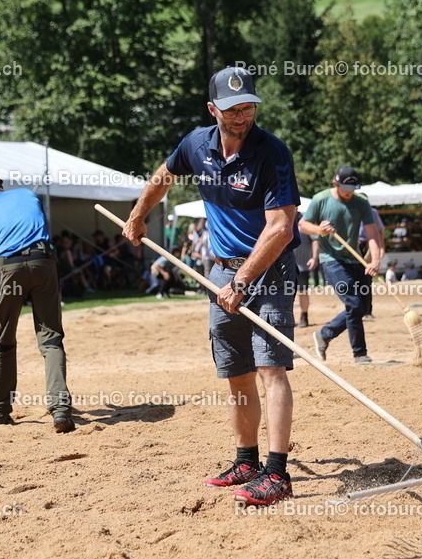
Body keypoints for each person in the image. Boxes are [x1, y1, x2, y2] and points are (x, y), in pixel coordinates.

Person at [122, 66, 300, 506]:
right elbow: (163, 176)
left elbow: (280, 227)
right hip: (220, 272)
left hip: (268, 271)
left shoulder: (273, 153)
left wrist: (243, 280)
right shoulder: (195, 144)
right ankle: (246, 461)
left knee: (270, 369)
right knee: (235, 370)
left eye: (247, 108)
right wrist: (138, 214)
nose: (241, 117)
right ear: (211, 109)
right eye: (231, 110)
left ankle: (277, 475)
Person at [0, 173, 74, 433]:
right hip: (44, 260)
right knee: (51, 338)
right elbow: (31, 224)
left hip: (8, 266)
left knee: (4, 338)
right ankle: (60, 409)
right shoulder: (28, 195)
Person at [300, 165, 382, 365]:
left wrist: (376, 260)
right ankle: (360, 354)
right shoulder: (320, 200)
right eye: (345, 188)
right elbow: (303, 225)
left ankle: (324, 335)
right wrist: (320, 230)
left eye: (352, 188)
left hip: (355, 259)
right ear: (335, 183)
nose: (349, 192)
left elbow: (373, 234)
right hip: (332, 260)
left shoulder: (361, 202)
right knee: (354, 303)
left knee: (361, 307)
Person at [358, 203, 385, 318]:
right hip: (355, 245)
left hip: (370, 245)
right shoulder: (350, 210)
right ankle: (357, 310)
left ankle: (368, 311)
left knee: (367, 279)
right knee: (354, 278)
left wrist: (381, 248)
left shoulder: (372, 212)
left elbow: (379, 231)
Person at [293, 212, 314, 328]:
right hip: (286, 264)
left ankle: (304, 316)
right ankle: (288, 318)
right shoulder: (283, 218)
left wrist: (314, 257)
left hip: (303, 264)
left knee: (303, 291)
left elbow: (315, 240)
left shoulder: (306, 221)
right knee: (286, 292)